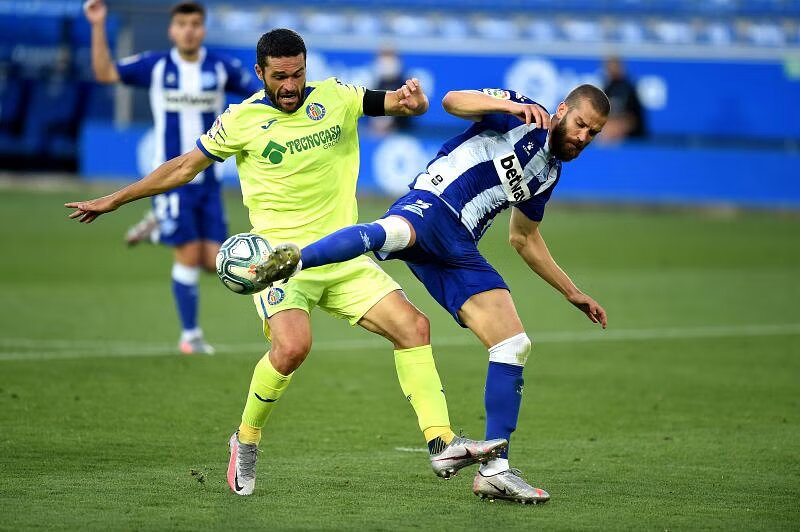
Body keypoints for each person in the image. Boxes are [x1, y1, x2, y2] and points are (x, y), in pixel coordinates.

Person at [66, 28, 506, 497]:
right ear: (260, 73)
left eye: (297, 74)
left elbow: (403, 106)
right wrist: (117, 199)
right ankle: (246, 439)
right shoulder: (240, 120)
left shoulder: (338, 97)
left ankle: (440, 442)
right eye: (280, 77)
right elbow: (182, 167)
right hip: (280, 262)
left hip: (343, 254)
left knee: (414, 327)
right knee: (293, 348)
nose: (291, 85)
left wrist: (413, 100)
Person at [257, 85, 611, 504]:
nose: (583, 137)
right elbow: (452, 101)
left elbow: (524, 238)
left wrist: (572, 292)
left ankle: (495, 471)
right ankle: (296, 260)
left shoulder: (548, 173)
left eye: (593, 133)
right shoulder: (518, 114)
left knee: (513, 345)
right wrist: (510, 105)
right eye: (581, 124)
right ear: (563, 110)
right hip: (433, 203)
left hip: (460, 248)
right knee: (392, 231)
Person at [84, 0, 263, 354]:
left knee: (216, 262)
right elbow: (105, 73)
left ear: (203, 29)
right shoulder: (156, 66)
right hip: (171, 180)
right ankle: (190, 337)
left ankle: (157, 228)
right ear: (172, 30)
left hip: (208, 180)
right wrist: (98, 24)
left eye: (195, 24)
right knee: (188, 256)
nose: (189, 30)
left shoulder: (220, 67)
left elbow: (261, 95)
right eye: (182, 24)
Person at [601, 56, 646, 141]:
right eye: (609, 66)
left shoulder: (629, 88)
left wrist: (618, 125)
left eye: (615, 66)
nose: (612, 69)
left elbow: (634, 119)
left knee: (612, 129)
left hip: (632, 131)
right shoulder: (607, 88)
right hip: (612, 128)